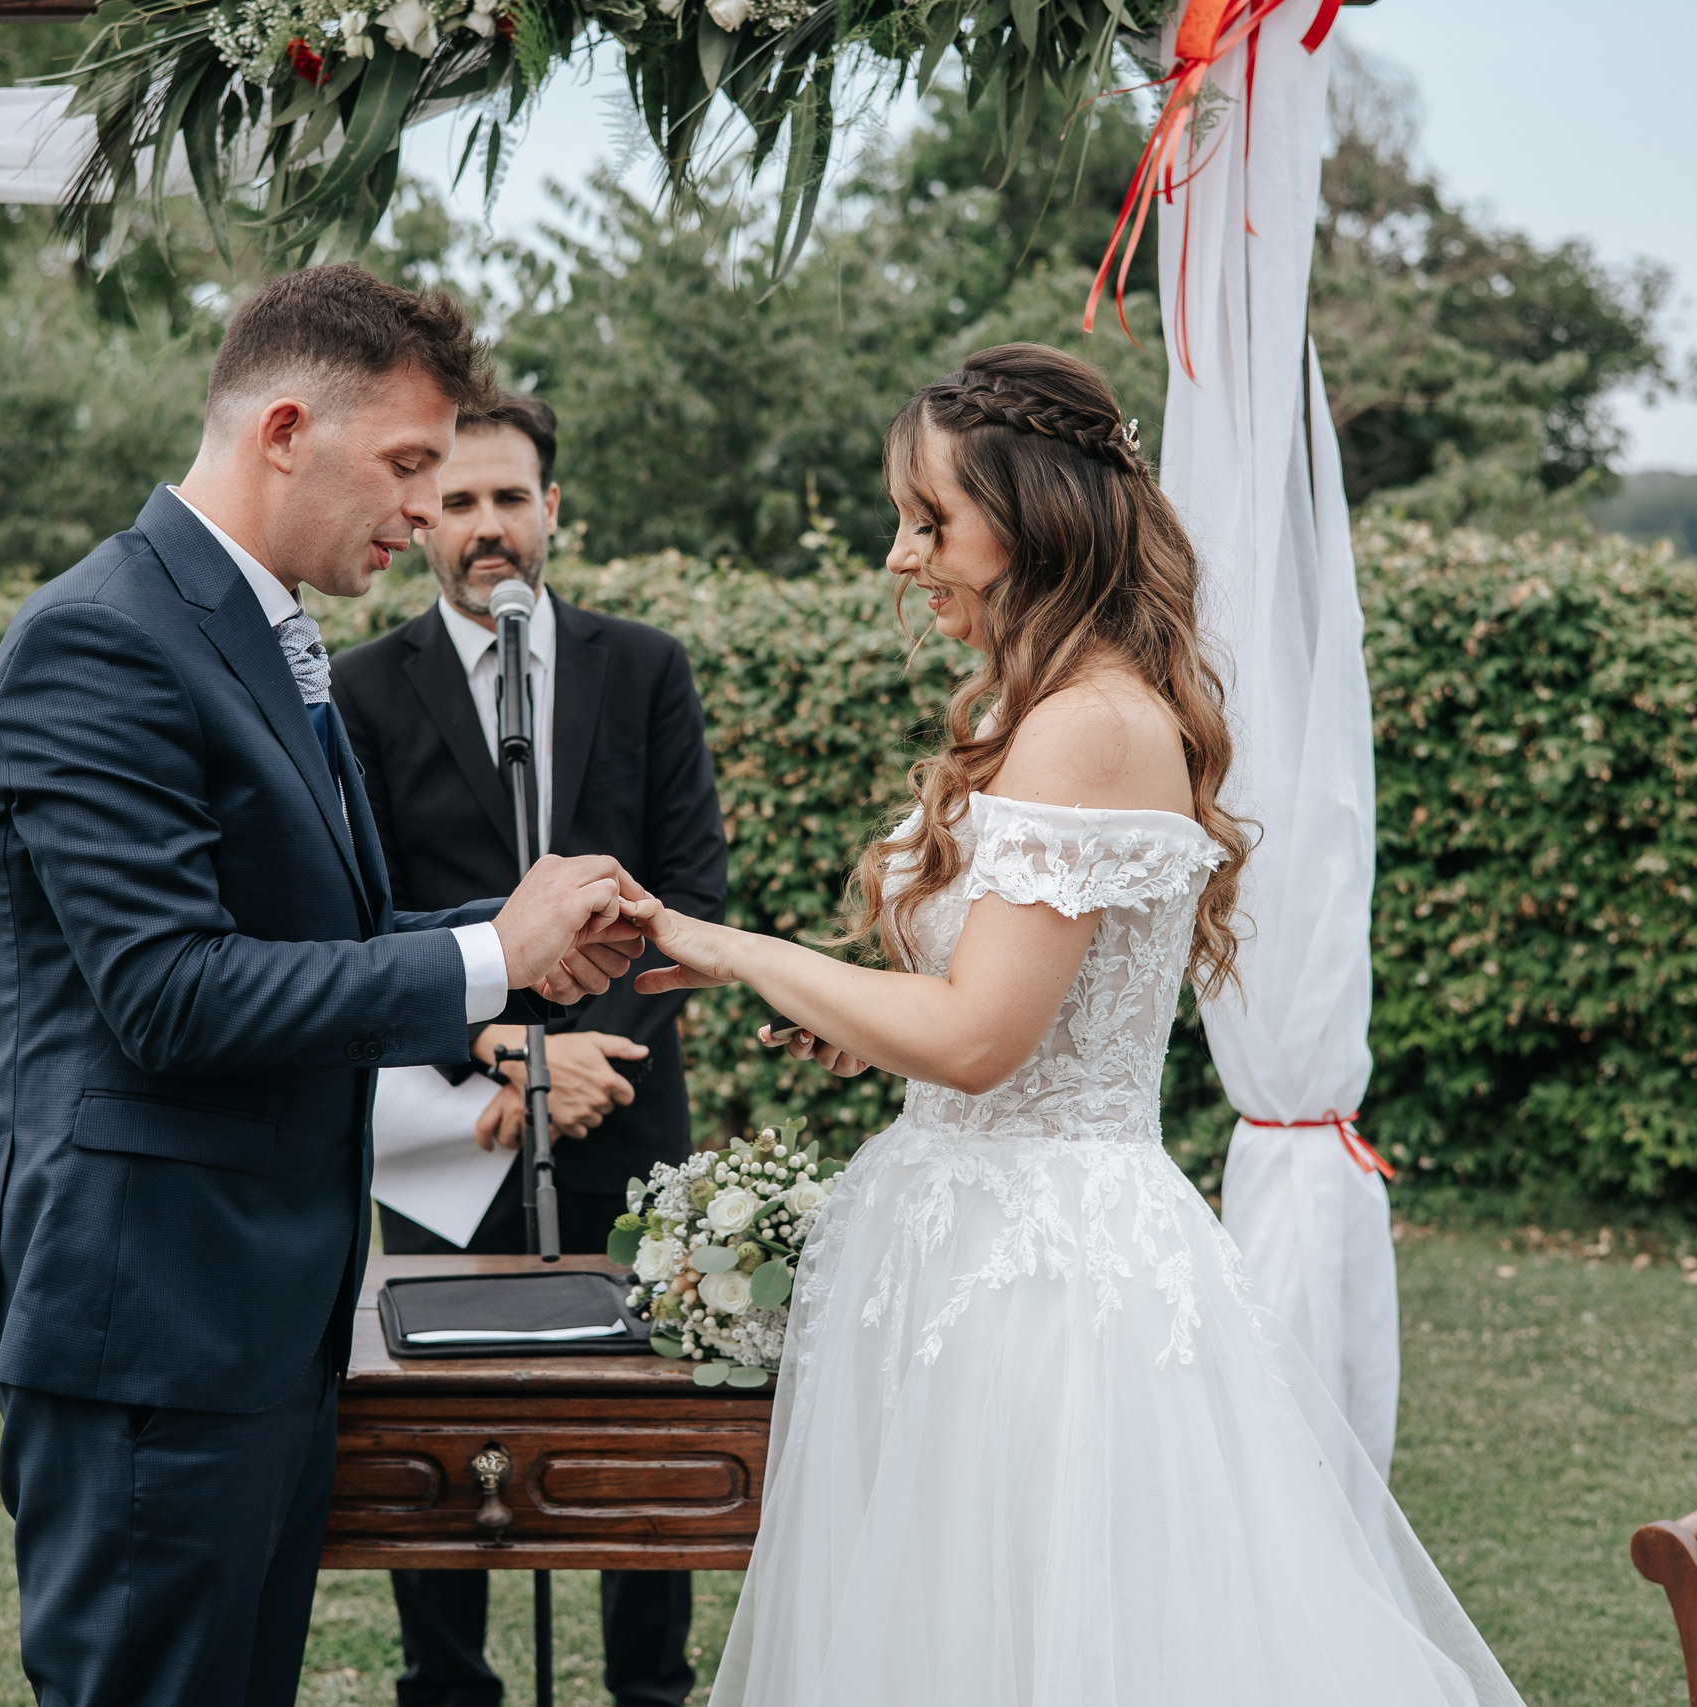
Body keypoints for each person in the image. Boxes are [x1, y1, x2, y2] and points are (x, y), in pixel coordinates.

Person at [627, 345, 1528, 1707]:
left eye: (933, 522)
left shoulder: (1089, 725)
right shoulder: (1034, 708)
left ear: (1037, 519)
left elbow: (981, 1040)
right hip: (956, 1238)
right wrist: (870, 1020)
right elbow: (979, 1012)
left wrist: (731, 951)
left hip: (1044, 1280)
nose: (900, 556)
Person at [0, 265, 654, 1707]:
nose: (425, 506)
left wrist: (517, 936)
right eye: (408, 464)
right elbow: (173, 996)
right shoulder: (100, 642)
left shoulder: (263, 633)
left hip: (265, 1314)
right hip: (149, 1317)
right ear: (285, 428)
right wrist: (486, 960)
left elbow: (329, 924)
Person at [333, 391, 725, 1707]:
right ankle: (447, 1687)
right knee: (439, 1431)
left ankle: (648, 1689)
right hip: (447, 1120)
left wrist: (590, 1059)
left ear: (553, 508)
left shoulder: (646, 668)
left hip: (627, 1109)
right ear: (421, 519)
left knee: (639, 1422)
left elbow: (693, 896)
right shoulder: (359, 692)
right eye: (456, 501)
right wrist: (507, 1053)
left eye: (510, 497)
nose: (486, 525)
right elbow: (361, 919)